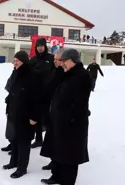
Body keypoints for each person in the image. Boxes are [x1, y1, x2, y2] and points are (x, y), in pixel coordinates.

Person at [41, 48, 91, 185]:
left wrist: (69, 119)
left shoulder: (82, 76)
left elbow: (79, 103)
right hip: (58, 120)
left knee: (69, 156)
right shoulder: (66, 73)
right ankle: (56, 176)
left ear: (73, 60)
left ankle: (67, 181)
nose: (62, 63)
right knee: (57, 151)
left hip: (72, 124)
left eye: (64, 61)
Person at [4, 51, 41, 179]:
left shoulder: (33, 74)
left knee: (24, 142)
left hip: (26, 114)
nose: (14, 63)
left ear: (24, 61)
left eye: (17, 60)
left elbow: (37, 98)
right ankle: (13, 162)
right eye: (14, 60)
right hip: (14, 112)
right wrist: (8, 107)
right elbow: (11, 92)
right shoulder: (15, 72)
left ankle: (22, 167)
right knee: (14, 139)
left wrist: (34, 117)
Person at [40, 49, 65, 171]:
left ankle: (57, 162)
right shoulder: (54, 71)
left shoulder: (66, 74)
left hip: (60, 112)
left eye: (58, 60)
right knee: (51, 138)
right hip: (50, 109)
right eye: (54, 59)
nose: (55, 62)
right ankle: (53, 160)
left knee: (59, 140)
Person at [29, 37, 55, 148]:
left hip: (49, 93)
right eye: (38, 46)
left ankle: (50, 141)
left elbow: (56, 72)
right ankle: (38, 139)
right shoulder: (33, 60)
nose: (40, 48)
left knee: (49, 118)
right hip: (36, 94)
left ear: (45, 47)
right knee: (37, 117)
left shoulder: (51, 58)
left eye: (42, 46)